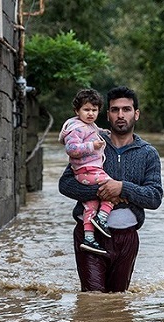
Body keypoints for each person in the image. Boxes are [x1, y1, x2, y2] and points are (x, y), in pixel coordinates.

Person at [59, 86, 163, 292]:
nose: (120, 115)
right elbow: (65, 184)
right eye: (115, 110)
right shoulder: (92, 142)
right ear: (107, 115)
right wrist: (103, 191)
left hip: (127, 237)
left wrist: (123, 188)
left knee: (118, 300)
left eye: (126, 109)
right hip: (89, 236)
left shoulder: (148, 153)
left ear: (136, 114)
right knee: (94, 299)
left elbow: (154, 197)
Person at [58, 88, 114, 255]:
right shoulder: (76, 128)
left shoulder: (89, 126)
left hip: (86, 172)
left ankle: (89, 239)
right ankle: (102, 218)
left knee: (90, 204)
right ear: (77, 110)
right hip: (87, 170)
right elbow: (71, 148)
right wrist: (92, 146)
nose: (90, 113)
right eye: (86, 109)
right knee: (112, 189)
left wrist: (103, 133)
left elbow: (94, 132)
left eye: (94, 110)